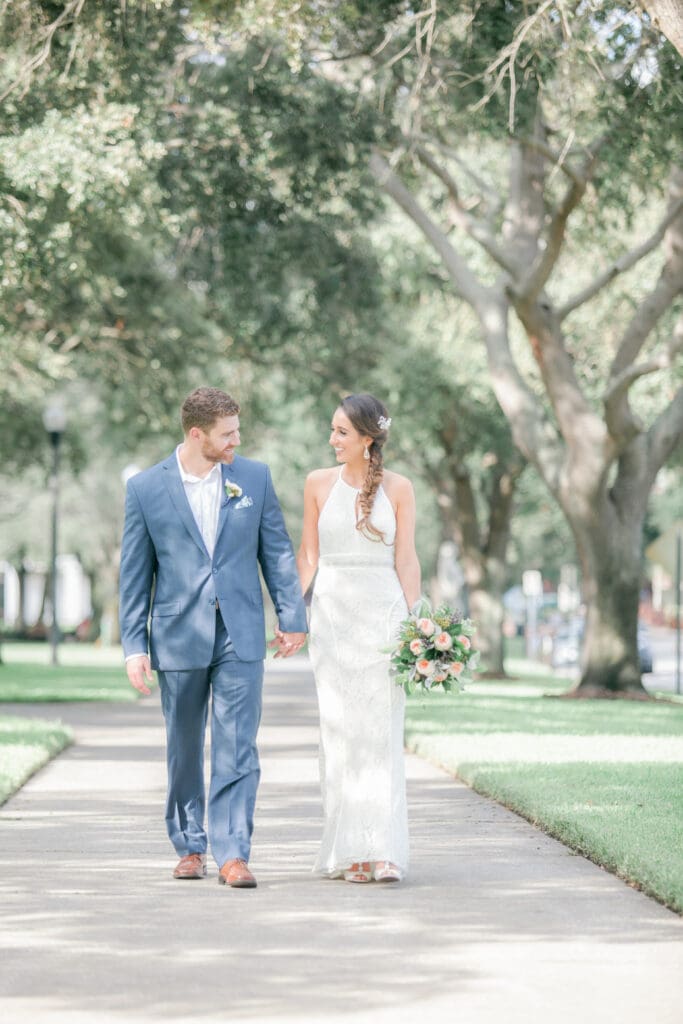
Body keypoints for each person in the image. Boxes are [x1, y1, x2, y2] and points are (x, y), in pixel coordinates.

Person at [119, 386, 307, 888]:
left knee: (238, 745)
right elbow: (135, 574)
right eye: (227, 433)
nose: (236, 440)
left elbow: (278, 551)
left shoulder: (253, 477)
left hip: (240, 632)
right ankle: (189, 845)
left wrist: (292, 616)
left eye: (237, 430)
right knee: (183, 746)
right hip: (178, 635)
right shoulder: (145, 489)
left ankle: (232, 853)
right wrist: (134, 645)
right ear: (197, 433)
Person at [297, 393, 421, 883]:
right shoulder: (316, 484)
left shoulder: (400, 488)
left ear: (368, 438)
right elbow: (307, 556)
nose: (332, 440)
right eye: (332, 430)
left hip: (384, 617)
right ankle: (352, 853)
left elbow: (406, 560)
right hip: (332, 618)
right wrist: (293, 617)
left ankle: (384, 850)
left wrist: (420, 626)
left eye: (341, 433)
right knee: (341, 734)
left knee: (382, 734)